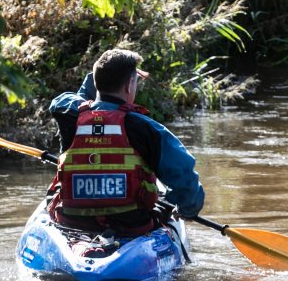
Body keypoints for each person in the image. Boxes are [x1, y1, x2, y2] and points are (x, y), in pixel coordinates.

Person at [47, 48, 205, 234]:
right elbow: (185, 179)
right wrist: (186, 209)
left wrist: (99, 77)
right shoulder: (147, 128)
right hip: (132, 226)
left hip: (72, 223)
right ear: (130, 85)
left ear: (97, 82)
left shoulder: (69, 114)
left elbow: (62, 101)